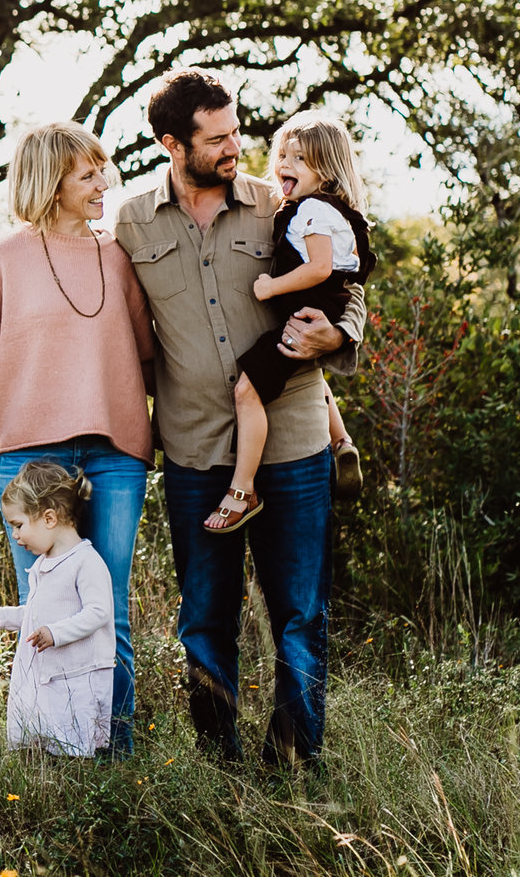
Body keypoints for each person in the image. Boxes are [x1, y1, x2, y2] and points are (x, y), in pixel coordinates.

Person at [110, 69, 369, 765]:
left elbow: (348, 281)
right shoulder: (130, 222)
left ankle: (292, 764)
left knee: (299, 615)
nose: (237, 147)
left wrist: (340, 336)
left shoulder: (278, 203)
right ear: (171, 142)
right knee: (203, 622)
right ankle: (220, 768)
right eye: (217, 137)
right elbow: (116, 331)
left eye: (236, 130)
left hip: (293, 441)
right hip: (194, 452)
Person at [0, 120, 156, 752]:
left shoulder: (117, 254)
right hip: (32, 457)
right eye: (88, 173)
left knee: (111, 608)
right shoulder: (2, 257)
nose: (104, 183)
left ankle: (112, 754)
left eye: (104, 168)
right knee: (44, 611)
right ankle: (50, 751)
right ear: (51, 182)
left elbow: (152, 354)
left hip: (115, 452)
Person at [203, 111, 377, 533]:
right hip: (323, 309)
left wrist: (270, 287)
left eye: (299, 159)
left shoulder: (313, 210)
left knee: (247, 391)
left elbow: (318, 269)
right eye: (283, 155)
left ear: (327, 170)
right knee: (309, 371)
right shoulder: (330, 209)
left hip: (308, 310)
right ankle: (342, 441)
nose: (284, 165)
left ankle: (242, 490)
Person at [0, 461, 115, 757]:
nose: (15, 536)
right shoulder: (43, 564)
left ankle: (80, 781)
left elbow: (98, 612)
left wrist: (56, 633)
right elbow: (39, 614)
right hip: (51, 673)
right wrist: (4, 617)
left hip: (77, 672)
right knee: (48, 742)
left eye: (18, 525)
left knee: (75, 742)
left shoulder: (85, 562)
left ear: (49, 518)